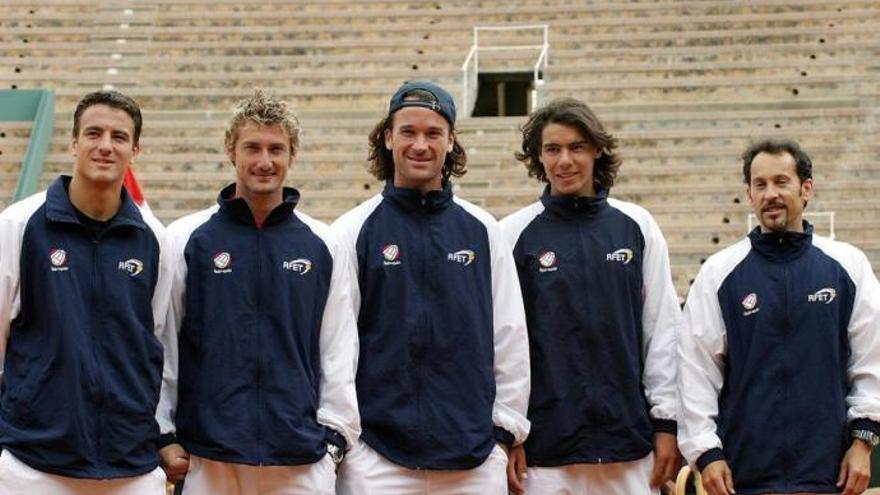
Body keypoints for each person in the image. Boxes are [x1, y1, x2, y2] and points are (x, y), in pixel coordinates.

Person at [156, 89, 360, 495]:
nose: (264, 162)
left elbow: (338, 345)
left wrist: (334, 438)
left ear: (292, 155)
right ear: (231, 150)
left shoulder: (324, 243)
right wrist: (164, 433)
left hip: (299, 461)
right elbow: (163, 344)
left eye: (276, 149)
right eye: (252, 147)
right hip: (209, 460)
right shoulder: (186, 238)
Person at [331, 81, 531, 494]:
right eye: (408, 132)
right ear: (388, 138)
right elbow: (336, 345)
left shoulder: (482, 230)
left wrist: (502, 433)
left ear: (451, 140)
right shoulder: (352, 231)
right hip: (377, 459)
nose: (420, 145)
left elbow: (509, 335)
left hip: (473, 461)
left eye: (433, 133)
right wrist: (348, 439)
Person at [499, 97, 681, 495]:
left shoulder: (637, 226)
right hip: (545, 451)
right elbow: (503, 344)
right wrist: (508, 432)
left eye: (576, 147)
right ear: (539, 158)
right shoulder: (512, 234)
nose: (565, 160)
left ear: (597, 150)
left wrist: (667, 424)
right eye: (553, 149)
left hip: (629, 447)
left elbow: (663, 332)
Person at [678, 138, 880, 495]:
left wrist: (862, 442)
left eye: (781, 181)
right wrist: (706, 453)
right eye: (760, 185)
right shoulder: (719, 273)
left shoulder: (848, 267)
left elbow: (872, 360)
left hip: (829, 476)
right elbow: (696, 371)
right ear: (749, 195)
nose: (770, 193)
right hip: (744, 477)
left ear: (806, 189)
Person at [0, 90, 170, 494]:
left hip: (131, 464)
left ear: (135, 149)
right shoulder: (19, 225)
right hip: (34, 463)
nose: (105, 146)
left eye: (119, 136)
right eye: (94, 133)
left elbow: (156, 342)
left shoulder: (156, 239)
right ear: (74, 142)